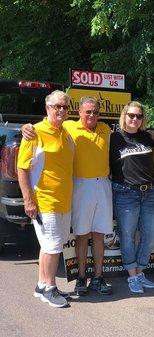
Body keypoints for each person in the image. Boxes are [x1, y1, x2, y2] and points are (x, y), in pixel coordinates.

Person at [22, 96, 113, 296]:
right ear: (79, 112)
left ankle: (98, 278)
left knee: (99, 234)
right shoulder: (69, 127)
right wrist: (26, 127)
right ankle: (81, 278)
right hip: (80, 185)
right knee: (81, 234)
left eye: (95, 112)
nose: (91, 115)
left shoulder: (106, 129)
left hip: (103, 185)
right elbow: (41, 128)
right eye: (87, 111)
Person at [17, 90, 74, 307]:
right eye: (57, 106)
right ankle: (50, 289)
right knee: (53, 247)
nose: (61, 110)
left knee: (49, 245)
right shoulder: (35, 133)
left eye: (65, 107)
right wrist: (28, 200)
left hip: (63, 200)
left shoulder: (65, 131)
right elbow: (22, 168)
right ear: (47, 108)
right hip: (44, 200)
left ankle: (42, 284)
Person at [110, 101, 154, 294]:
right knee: (127, 237)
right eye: (131, 115)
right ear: (124, 116)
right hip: (125, 193)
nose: (135, 119)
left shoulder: (147, 137)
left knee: (150, 235)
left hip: (149, 193)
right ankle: (132, 276)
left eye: (139, 116)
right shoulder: (114, 138)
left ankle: (140, 272)